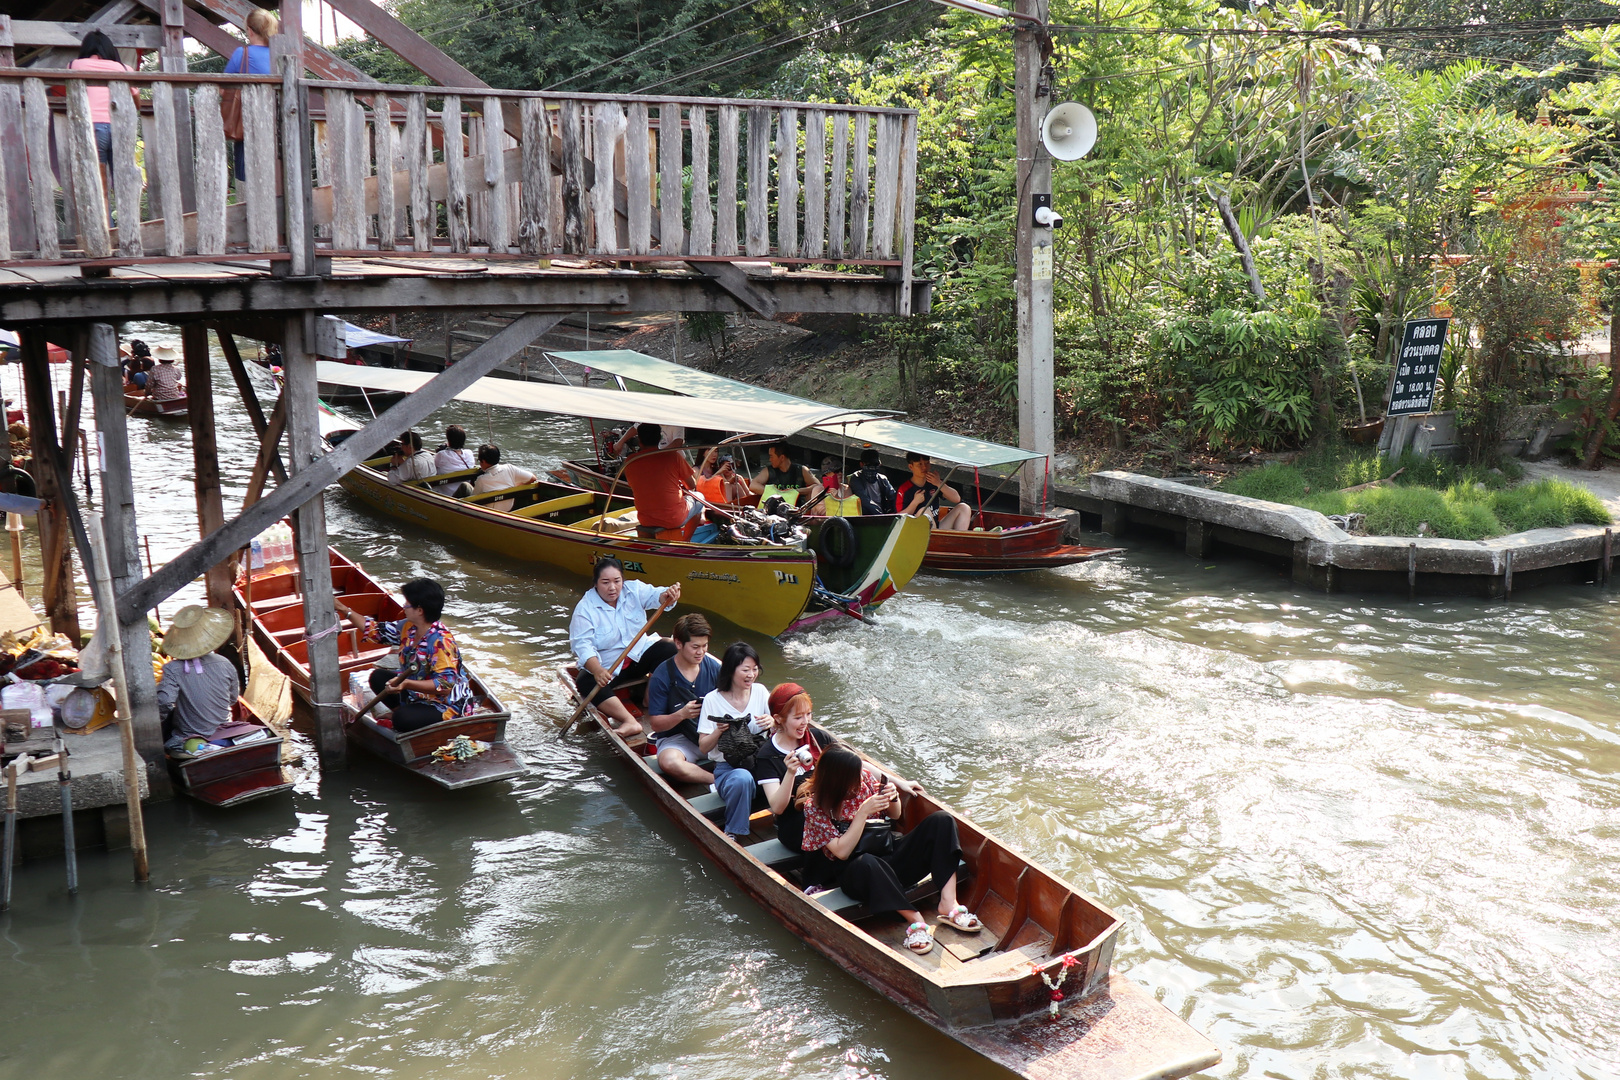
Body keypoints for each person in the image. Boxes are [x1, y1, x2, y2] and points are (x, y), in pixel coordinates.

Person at [799, 745, 980, 955]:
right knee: (867, 862)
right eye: (854, 776)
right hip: (857, 872)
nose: (861, 779)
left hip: (887, 855)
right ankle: (915, 920)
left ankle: (948, 903)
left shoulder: (864, 779)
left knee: (942, 820)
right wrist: (863, 812)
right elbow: (842, 852)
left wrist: (893, 797)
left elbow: (894, 815)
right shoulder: (814, 807)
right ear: (838, 779)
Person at [337, 577, 478, 734]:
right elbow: (376, 631)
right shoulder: (408, 627)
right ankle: (405, 710)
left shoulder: (441, 642)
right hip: (417, 694)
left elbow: (444, 686)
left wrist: (406, 684)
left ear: (419, 610)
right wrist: (344, 610)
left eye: (407, 603)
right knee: (377, 677)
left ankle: (404, 715)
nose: (404, 606)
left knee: (402, 719)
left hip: (445, 703)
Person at [569, 557, 682, 737]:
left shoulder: (634, 589)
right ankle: (629, 721)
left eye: (617, 581)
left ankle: (650, 697)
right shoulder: (585, 608)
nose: (612, 588)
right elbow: (583, 645)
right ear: (596, 584)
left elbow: (657, 596)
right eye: (605, 582)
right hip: (609, 666)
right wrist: (597, 670)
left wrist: (667, 595)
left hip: (638, 655)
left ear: (623, 580)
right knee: (585, 680)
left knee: (671, 648)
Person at [694, 642, 767, 842]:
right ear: (731, 670)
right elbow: (704, 747)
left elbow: (778, 731)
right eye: (745, 670)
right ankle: (734, 831)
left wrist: (774, 722)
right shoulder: (712, 700)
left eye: (754, 670)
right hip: (729, 768)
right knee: (742, 779)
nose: (751, 675)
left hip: (760, 762)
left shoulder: (760, 692)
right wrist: (718, 731)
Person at [752, 682, 834, 852]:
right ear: (779, 719)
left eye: (808, 714)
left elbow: (854, 762)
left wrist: (897, 783)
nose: (805, 722)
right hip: (796, 825)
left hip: (826, 813)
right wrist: (790, 773)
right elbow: (777, 807)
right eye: (798, 718)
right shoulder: (768, 755)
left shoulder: (816, 737)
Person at [643, 613, 722, 784]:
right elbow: (655, 724)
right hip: (678, 739)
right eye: (695, 647)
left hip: (713, 733)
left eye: (705, 645)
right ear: (678, 643)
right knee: (669, 762)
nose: (701, 652)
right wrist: (682, 714)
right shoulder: (661, 676)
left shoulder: (714, 667)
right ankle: (717, 780)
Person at [156, 605, 241, 754]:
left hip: (188, 736)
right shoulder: (224, 662)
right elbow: (233, 699)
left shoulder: (172, 668)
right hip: (223, 729)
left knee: (168, 736)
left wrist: (160, 720)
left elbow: (164, 702)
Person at [69, 30, 130, 208]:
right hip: (120, 129)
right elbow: (135, 98)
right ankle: (128, 230)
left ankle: (105, 231)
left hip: (93, 128)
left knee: (99, 186)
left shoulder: (74, 65)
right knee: (124, 185)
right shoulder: (124, 69)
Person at [224, 8, 278, 181]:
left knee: (249, 177)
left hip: (249, 124)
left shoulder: (242, 54)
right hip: (279, 123)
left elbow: (223, 88)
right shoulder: (279, 55)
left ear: (250, 30)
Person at [621, 422, 700, 538]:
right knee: (699, 497)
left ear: (640, 441)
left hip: (645, 520)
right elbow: (691, 485)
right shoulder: (673, 457)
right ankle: (686, 540)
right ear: (659, 439)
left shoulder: (629, 461)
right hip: (673, 518)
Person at [897, 453, 972, 530]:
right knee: (924, 511)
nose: (924, 467)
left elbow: (956, 499)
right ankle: (934, 539)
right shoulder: (904, 489)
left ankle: (959, 540)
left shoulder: (934, 482)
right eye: (920, 464)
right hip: (914, 530)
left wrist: (939, 483)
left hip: (936, 527)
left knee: (964, 507)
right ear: (911, 467)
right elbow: (897, 518)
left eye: (927, 463)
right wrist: (915, 503)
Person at [471, 444, 538, 511]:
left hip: (490, 512)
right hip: (508, 509)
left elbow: (472, 500)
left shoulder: (481, 480)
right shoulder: (510, 468)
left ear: (484, 461)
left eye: (479, 460)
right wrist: (517, 486)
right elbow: (533, 478)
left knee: (465, 486)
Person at [751, 442, 819, 507]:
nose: (770, 459)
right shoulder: (768, 471)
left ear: (782, 457)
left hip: (797, 509)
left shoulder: (802, 470)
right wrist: (777, 493)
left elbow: (818, 486)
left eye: (771, 456)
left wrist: (796, 491)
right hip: (774, 509)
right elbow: (753, 485)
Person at [847, 448, 897, 517]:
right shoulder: (856, 478)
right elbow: (864, 500)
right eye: (868, 465)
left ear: (879, 465)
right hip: (864, 516)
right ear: (861, 464)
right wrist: (881, 515)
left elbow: (893, 496)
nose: (872, 467)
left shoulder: (882, 479)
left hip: (883, 513)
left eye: (875, 464)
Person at [433, 424, 477, 494]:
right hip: (464, 493)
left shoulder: (441, 455)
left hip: (447, 494)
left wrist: (443, 450)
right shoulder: (469, 453)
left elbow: (432, 466)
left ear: (449, 440)